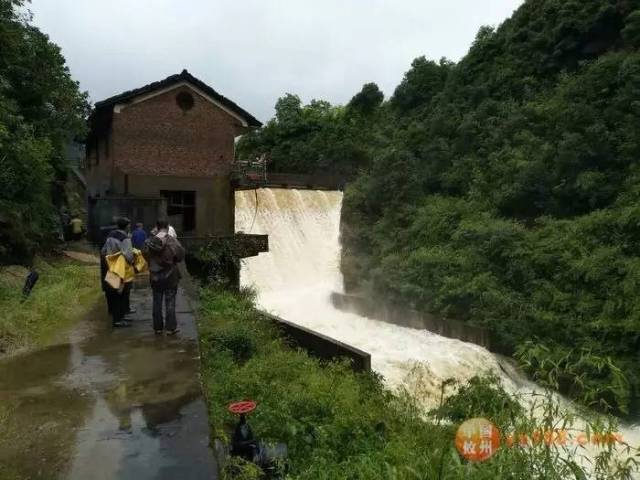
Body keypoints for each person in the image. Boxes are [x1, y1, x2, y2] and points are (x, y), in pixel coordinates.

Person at [145, 219, 185, 335]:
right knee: (170, 301)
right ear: (167, 227)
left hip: (155, 276)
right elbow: (180, 256)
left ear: (156, 227)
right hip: (170, 275)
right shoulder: (172, 241)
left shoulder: (150, 241)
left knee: (156, 301)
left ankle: (157, 328)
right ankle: (170, 328)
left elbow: (145, 255)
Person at [101, 217, 134, 327]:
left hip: (110, 265)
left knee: (113, 291)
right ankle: (119, 319)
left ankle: (117, 317)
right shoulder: (125, 238)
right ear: (126, 226)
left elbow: (104, 250)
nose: (130, 226)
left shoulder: (110, 235)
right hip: (122, 267)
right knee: (122, 292)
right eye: (129, 225)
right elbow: (128, 255)